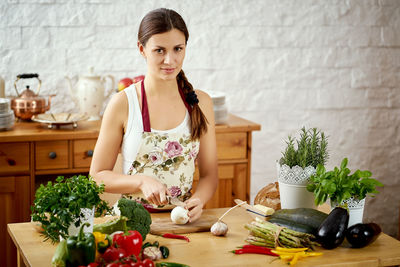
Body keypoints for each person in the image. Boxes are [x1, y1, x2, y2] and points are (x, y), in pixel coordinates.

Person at [89, 8, 218, 223]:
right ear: (142, 49)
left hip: (182, 222)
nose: (170, 60)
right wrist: (140, 181)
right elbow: (97, 177)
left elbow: (209, 175)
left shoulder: (200, 104)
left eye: (178, 49)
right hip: (131, 224)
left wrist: (199, 199)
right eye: (159, 50)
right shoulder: (123, 103)